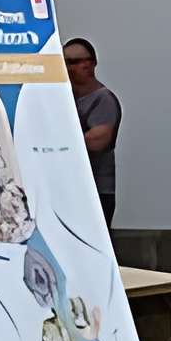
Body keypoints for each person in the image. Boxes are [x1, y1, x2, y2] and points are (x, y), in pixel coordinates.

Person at [64, 37, 121, 227]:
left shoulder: (103, 99)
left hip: (96, 191)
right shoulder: (63, 100)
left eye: (76, 62)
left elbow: (98, 141)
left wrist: (56, 141)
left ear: (92, 63)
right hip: (68, 190)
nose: (70, 68)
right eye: (64, 62)